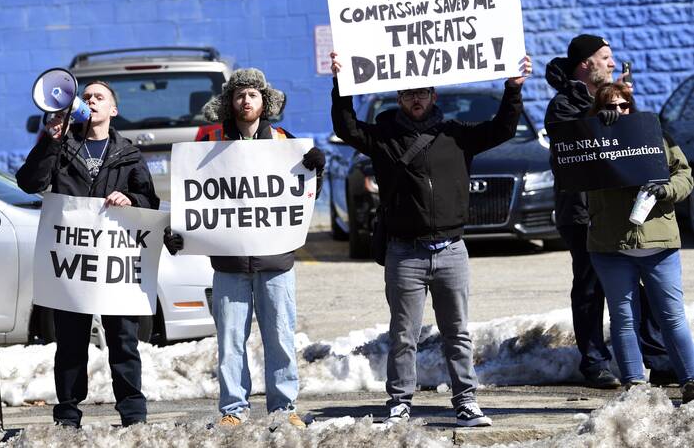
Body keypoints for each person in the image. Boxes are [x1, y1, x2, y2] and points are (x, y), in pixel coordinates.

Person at [330, 51, 531, 427]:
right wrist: (341, 84)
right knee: (403, 335)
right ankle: (399, 403)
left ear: (434, 94)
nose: (416, 99)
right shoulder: (385, 138)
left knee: (458, 333)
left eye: (422, 91)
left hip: (452, 250)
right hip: (405, 253)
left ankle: (466, 402)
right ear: (399, 99)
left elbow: (501, 129)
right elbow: (346, 128)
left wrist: (513, 89)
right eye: (408, 93)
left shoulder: (456, 135)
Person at [163, 68, 325, 429]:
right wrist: (181, 234)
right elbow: (198, 199)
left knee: (281, 337)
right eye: (239, 95)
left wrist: (317, 170)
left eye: (252, 94)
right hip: (229, 264)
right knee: (231, 341)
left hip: (276, 262)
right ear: (228, 102)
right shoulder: (210, 148)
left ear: (264, 100)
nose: (246, 101)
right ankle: (233, 410)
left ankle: (284, 408)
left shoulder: (285, 142)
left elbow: (304, 197)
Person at [16, 81, 159, 428]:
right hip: (73, 263)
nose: (92, 101)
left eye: (100, 98)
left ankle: (133, 414)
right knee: (70, 343)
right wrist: (51, 139)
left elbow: (149, 201)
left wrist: (132, 200)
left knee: (124, 340)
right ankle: (67, 415)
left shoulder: (128, 153)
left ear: (113, 110)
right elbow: (29, 182)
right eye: (88, 96)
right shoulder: (64, 146)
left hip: (114, 266)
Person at [544, 34, 675, 388]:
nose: (612, 63)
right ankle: (594, 362)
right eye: (605, 57)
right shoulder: (563, 105)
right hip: (583, 212)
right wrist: (604, 119)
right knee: (590, 287)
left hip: (620, 208)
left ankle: (657, 358)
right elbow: (575, 146)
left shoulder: (614, 98)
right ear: (586, 63)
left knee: (642, 283)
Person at [586, 82, 694, 404]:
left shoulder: (654, 137)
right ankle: (635, 387)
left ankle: (690, 381)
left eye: (623, 105)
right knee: (623, 317)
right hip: (611, 246)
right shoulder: (590, 142)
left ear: (631, 106)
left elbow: (684, 175)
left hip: (658, 242)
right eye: (610, 106)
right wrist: (595, 134)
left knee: (671, 315)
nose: (618, 112)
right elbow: (567, 167)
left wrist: (666, 190)